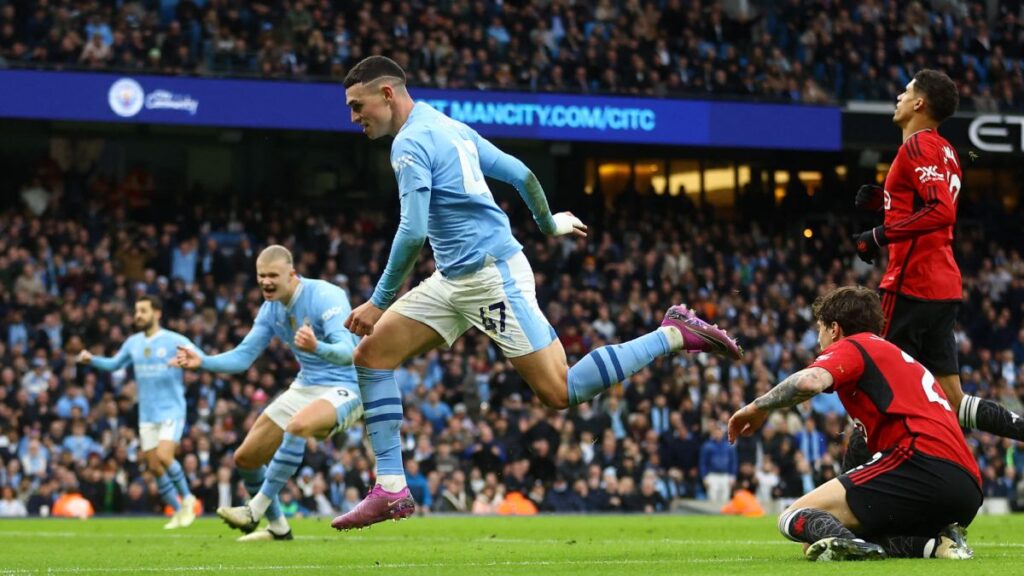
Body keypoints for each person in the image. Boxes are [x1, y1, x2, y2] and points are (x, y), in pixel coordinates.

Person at [332, 55, 742, 530]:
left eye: (357, 105)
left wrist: (379, 300)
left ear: (386, 94)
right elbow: (522, 173)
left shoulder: (409, 143)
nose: (353, 117)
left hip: (490, 279)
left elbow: (412, 230)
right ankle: (391, 487)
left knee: (559, 390)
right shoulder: (449, 126)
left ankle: (672, 334)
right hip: (454, 277)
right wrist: (549, 224)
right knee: (372, 356)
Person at [728, 286, 981, 561]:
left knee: (792, 517)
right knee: (823, 537)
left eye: (820, 329)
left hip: (920, 463)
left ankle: (858, 548)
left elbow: (808, 381)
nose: (818, 339)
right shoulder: (899, 360)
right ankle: (937, 545)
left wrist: (757, 407)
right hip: (966, 488)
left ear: (834, 329)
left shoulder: (855, 346)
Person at [852, 69, 1024, 444]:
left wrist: (876, 235)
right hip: (943, 287)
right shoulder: (946, 151)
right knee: (953, 399)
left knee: (870, 382)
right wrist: (885, 200)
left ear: (919, 103)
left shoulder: (916, 146)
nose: (898, 96)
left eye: (906, 90)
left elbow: (939, 211)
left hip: (910, 284)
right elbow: (924, 209)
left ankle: (852, 492)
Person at [172, 245, 362, 541]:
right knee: (246, 458)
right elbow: (243, 357)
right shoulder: (271, 310)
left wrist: (317, 347)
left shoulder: (326, 295)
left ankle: (254, 509)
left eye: (273, 275)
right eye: (261, 276)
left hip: (347, 387)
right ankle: (278, 528)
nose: (265, 282)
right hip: (306, 386)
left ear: (293, 275)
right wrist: (203, 362)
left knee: (298, 425)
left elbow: (348, 352)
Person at [79, 296, 198, 529]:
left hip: (171, 409)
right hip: (147, 414)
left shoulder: (175, 340)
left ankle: (188, 499)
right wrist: (92, 360)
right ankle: (177, 511)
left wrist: (188, 361)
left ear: (158, 313)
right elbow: (115, 365)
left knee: (165, 456)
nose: (138, 316)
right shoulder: (133, 343)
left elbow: (200, 358)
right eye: (136, 311)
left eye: (143, 311)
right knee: (154, 466)